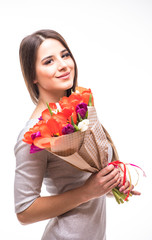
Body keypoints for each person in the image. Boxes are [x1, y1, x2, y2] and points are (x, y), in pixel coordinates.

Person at [14, 29, 140, 240]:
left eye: (65, 55)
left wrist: (113, 182)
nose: (63, 65)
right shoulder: (32, 135)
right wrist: (87, 192)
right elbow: (24, 211)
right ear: (32, 75)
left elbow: (88, 179)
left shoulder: (79, 110)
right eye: (48, 61)